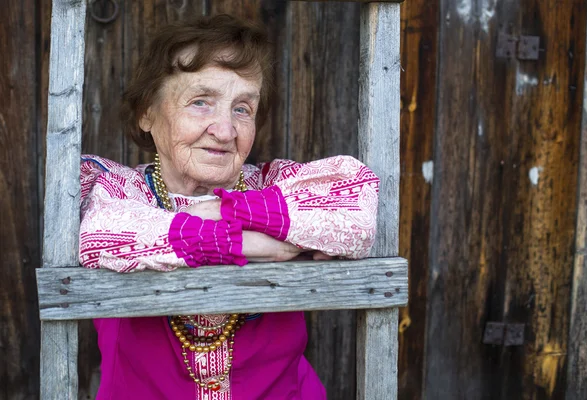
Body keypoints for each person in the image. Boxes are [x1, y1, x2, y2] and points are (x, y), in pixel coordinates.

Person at [79, 14, 379, 400]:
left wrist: (224, 212)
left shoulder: (273, 184)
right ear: (147, 113)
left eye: (242, 109)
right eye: (201, 102)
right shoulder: (119, 190)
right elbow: (100, 232)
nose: (225, 131)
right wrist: (247, 242)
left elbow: (357, 200)